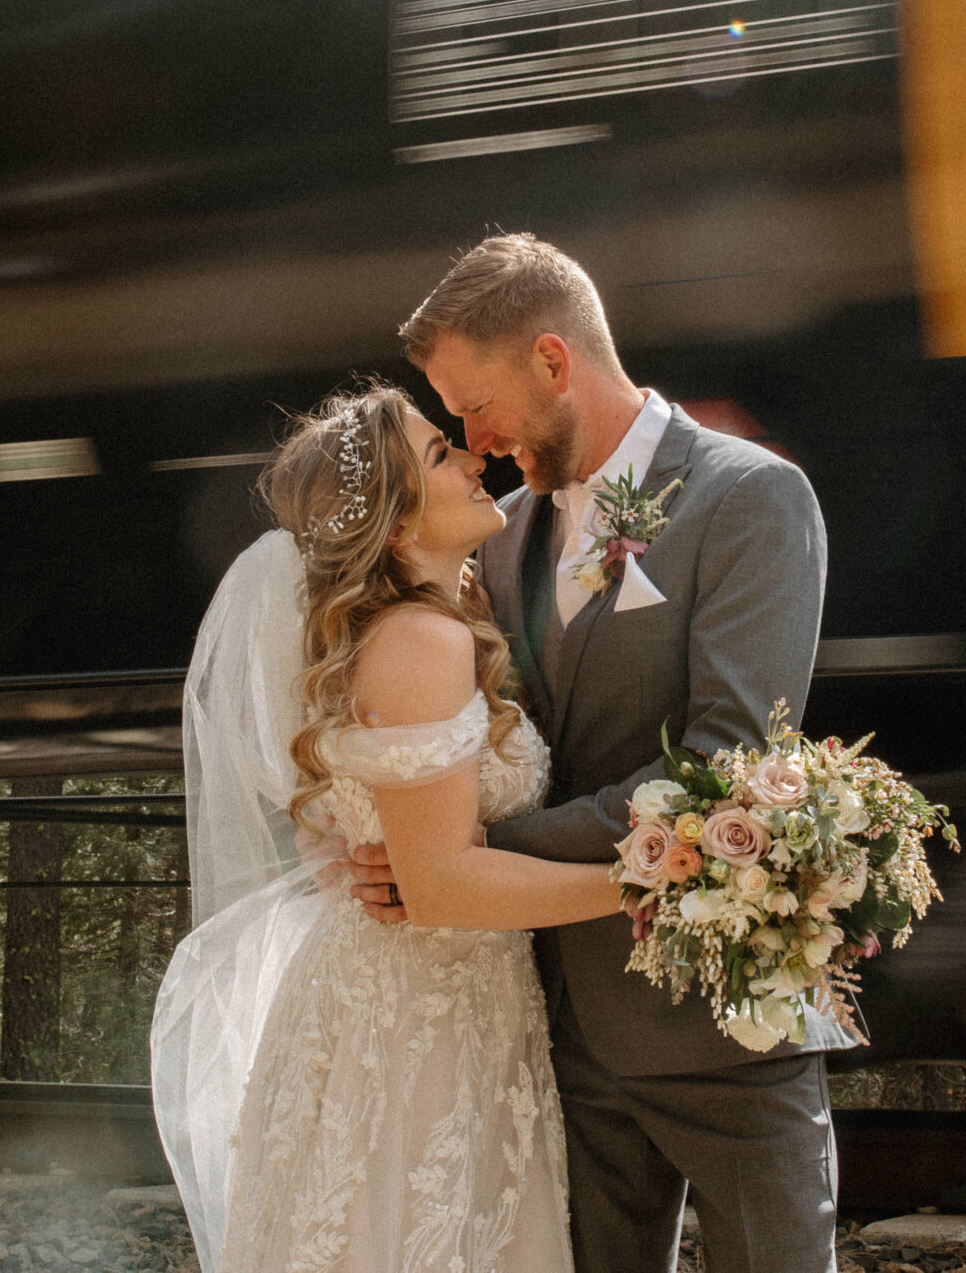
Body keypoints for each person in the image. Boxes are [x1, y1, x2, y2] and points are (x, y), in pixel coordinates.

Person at [348, 233, 840, 1273]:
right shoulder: (496, 532)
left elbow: (727, 765)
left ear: (551, 361)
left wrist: (471, 858)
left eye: (471, 404)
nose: (467, 438)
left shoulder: (748, 498)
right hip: (553, 1035)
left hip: (720, 1023)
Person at [149, 382, 626, 1273]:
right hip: (413, 1022)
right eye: (443, 455)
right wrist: (644, 887)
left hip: (434, 1004)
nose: (474, 454)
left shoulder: (444, 621)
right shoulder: (421, 641)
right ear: (399, 525)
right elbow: (441, 884)